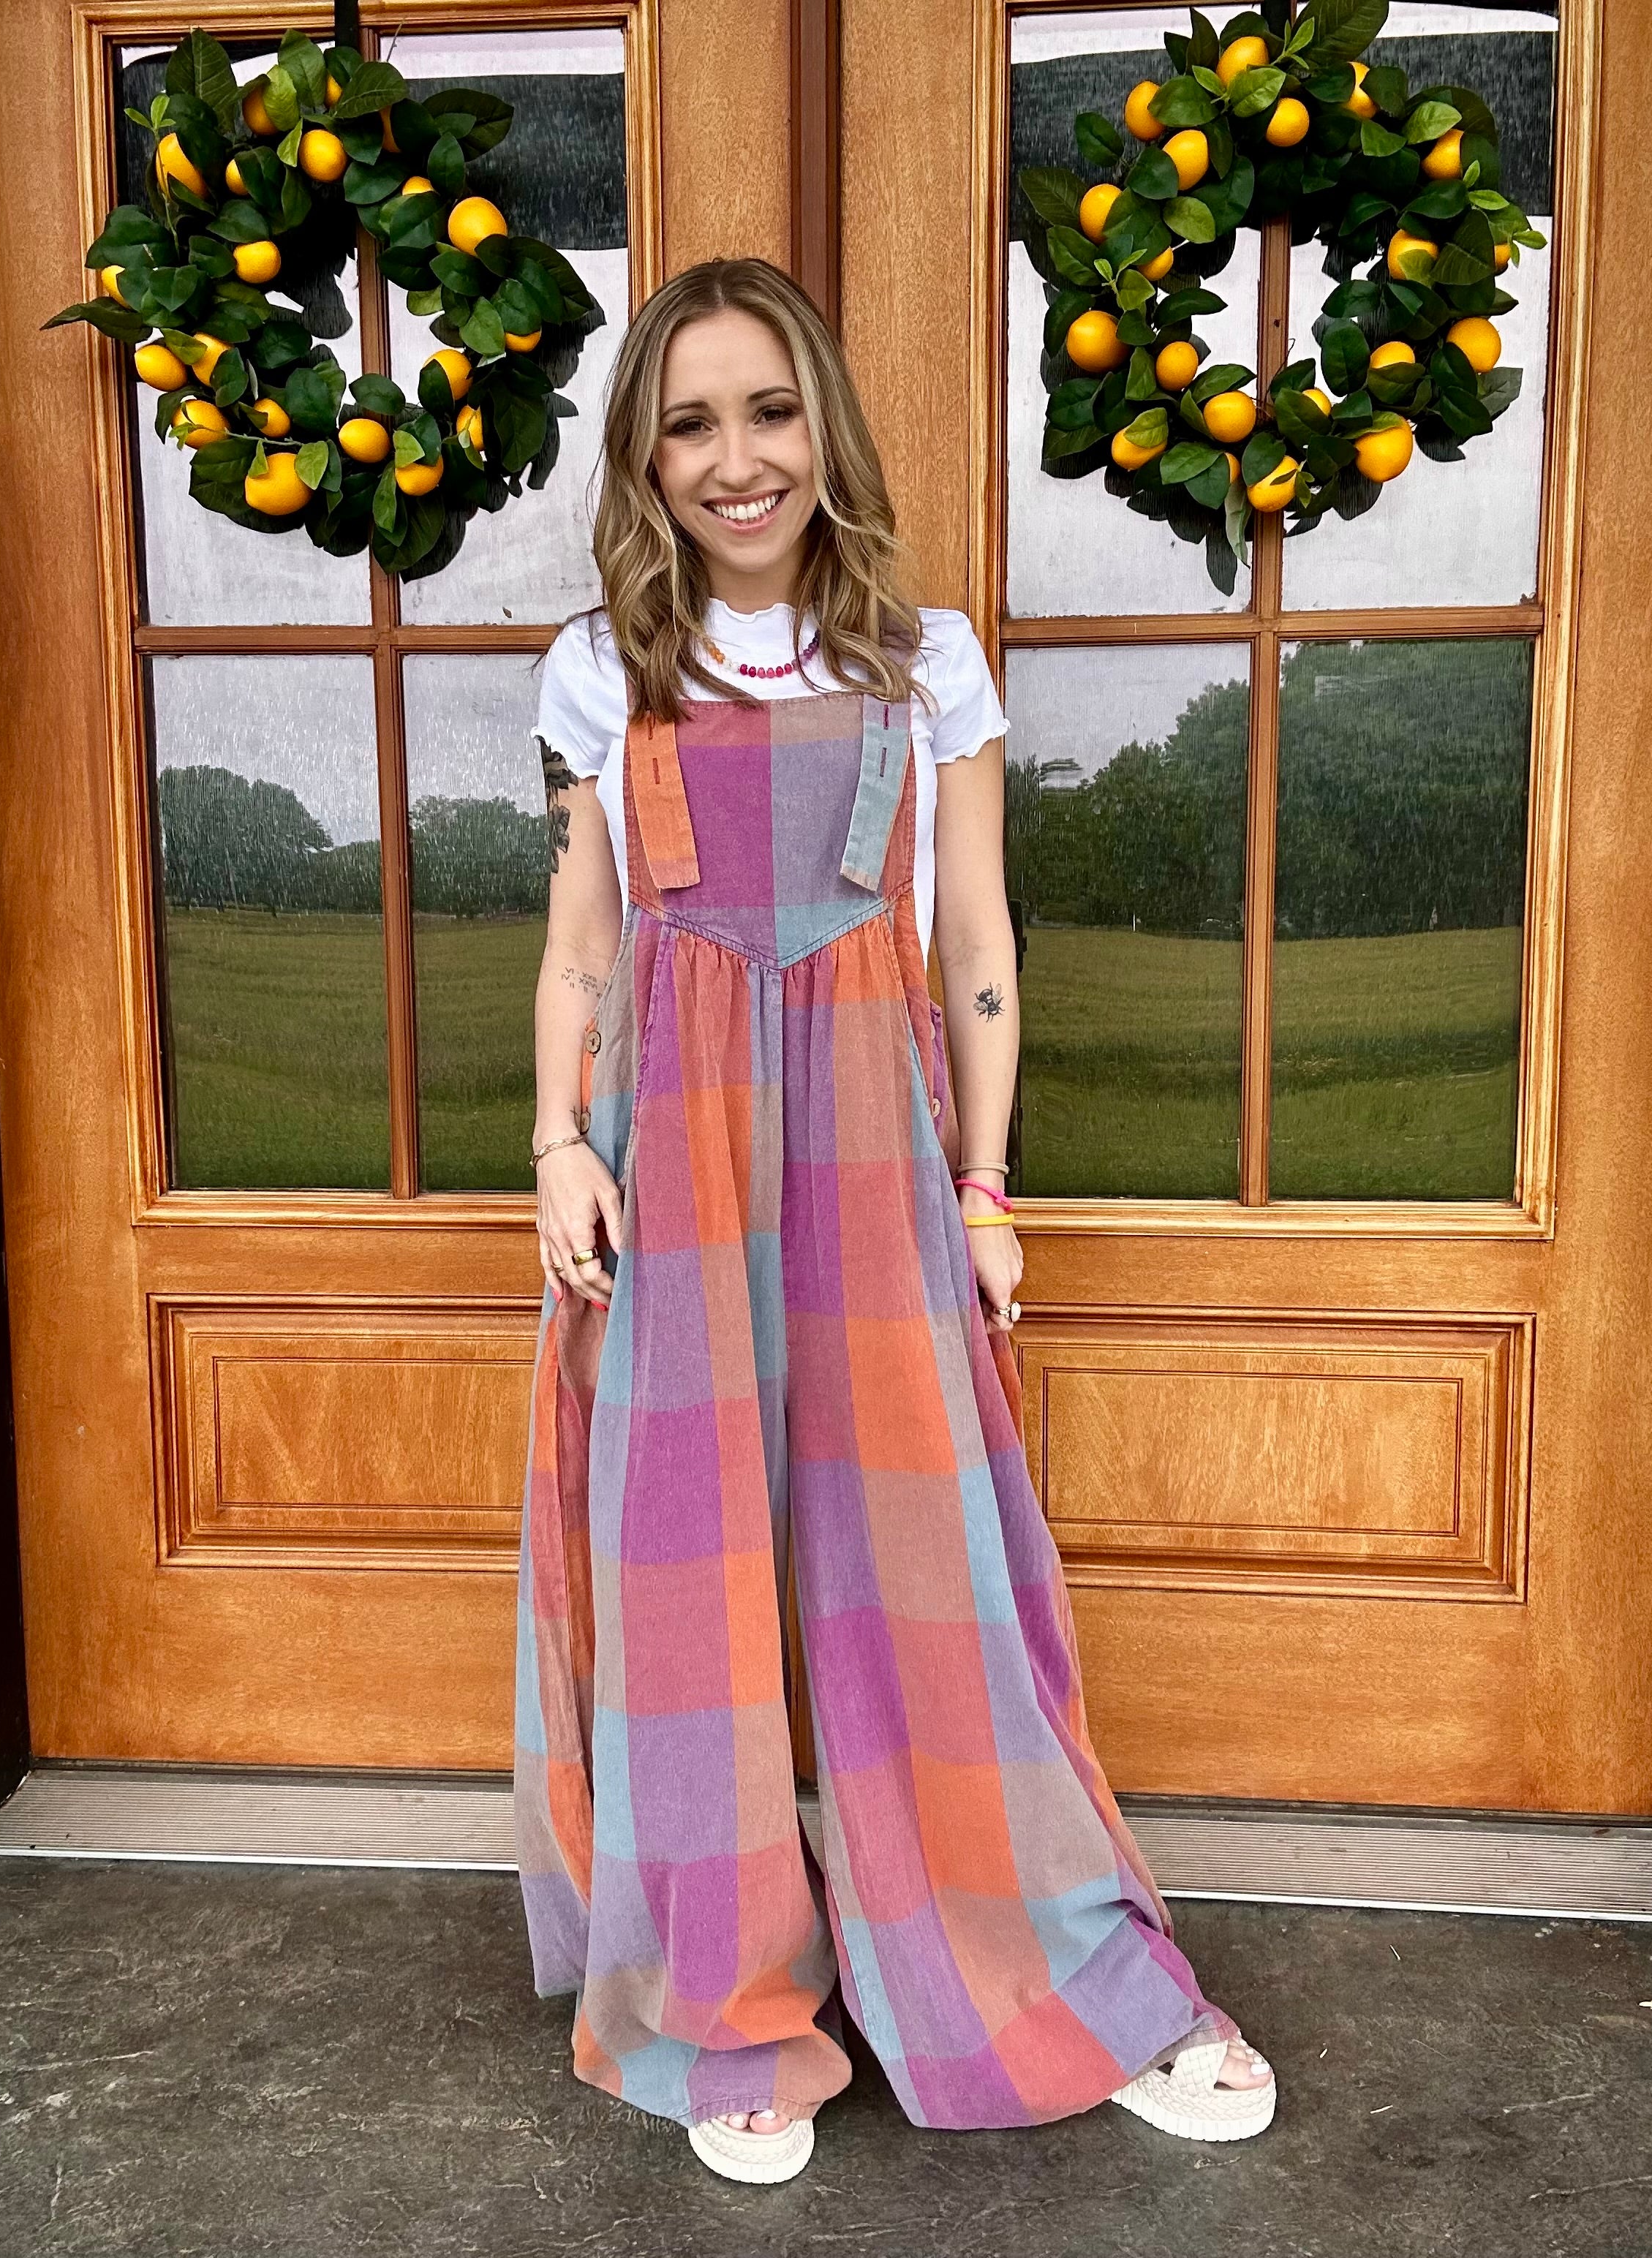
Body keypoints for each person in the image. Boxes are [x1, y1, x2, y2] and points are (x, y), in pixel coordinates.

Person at [513, 256, 1274, 2186]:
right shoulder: (601, 667)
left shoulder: (926, 663)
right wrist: (556, 1146)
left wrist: (985, 1188)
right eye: (689, 423)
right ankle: (724, 2010)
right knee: (686, 1585)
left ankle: (1040, 1974)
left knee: (920, 1572)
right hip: (671, 1165)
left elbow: (975, 941)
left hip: (873, 1158)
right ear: (644, 458)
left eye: (768, 411)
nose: (735, 459)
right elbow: (584, 946)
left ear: (825, 426)